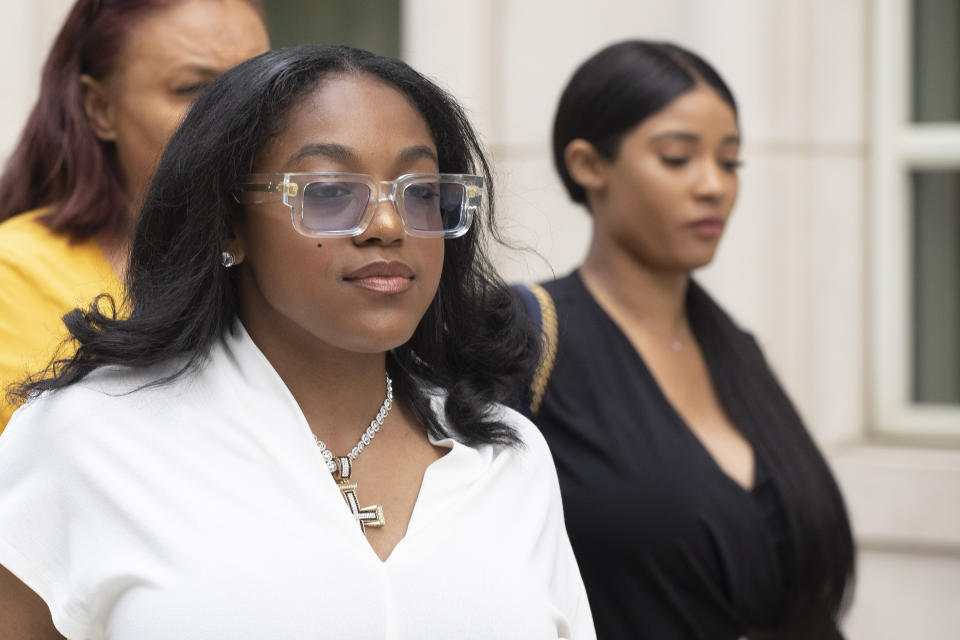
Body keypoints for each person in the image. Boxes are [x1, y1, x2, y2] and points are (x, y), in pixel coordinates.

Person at [0, 44, 595, 639]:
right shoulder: (88, 439)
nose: (389, 225)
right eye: (330, 192)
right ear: (230, 223)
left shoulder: (507, 456)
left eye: (419, 193)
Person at [516, 40, 855, 639]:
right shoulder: (523, 336)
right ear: (589, 164)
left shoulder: (736, 349)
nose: (713, 186)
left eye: (730, 162)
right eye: (677, 158)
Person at [0, 0, 270, 429]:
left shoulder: (303, 253)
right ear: (100, 108)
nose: (241, 118)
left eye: (260, 88)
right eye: (193, 89)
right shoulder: (13, 277)